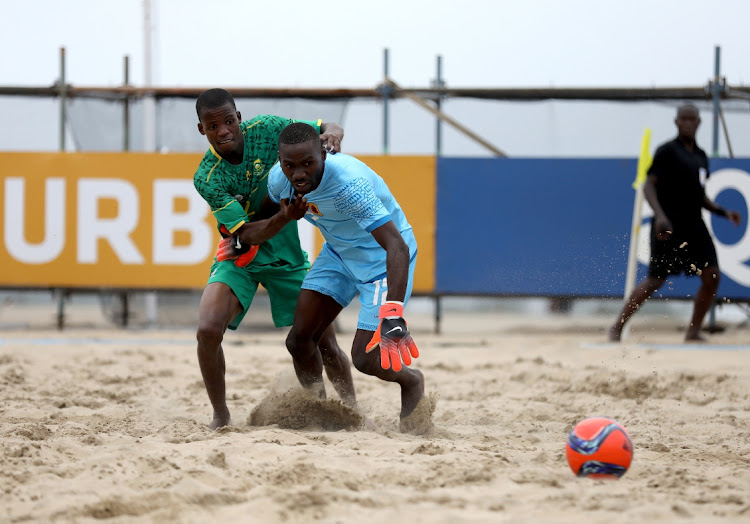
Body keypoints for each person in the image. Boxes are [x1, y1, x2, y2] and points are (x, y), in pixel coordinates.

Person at [192, 88, 357, 429]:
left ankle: (351, 409)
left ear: (239, 119)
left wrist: (333, 135)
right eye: (212, 126)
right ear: (202, 131)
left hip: (286, 253)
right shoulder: (207, 177)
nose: (222, 131)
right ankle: (221, 416)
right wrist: (284, 217)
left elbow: (326, 126)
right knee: (208, 330)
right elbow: (245, 235)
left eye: (227, 121)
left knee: (324, 340)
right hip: (241, 252)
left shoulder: (268, 129)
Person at [264, 122, 424, 429]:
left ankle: (412, 381)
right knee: (298, 342)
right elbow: (265, 213)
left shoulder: (349, 185)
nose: (298, 174)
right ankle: (322, 414)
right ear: (280, 162)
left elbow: (397, 246)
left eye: (308, 163)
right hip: (338, 253)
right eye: (290, 165)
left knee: (364, 359)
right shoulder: (277, 181)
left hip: (382, 262)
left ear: (324, 154)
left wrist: (394, 313)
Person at [609, 103, 742, 342]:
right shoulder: (667, 151)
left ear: (699, 123)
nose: (688, 123)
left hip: (695, 225)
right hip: (668, 224)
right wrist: (660, 216)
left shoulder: (700, 157)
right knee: (655, 280)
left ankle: (693, 332)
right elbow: (649, 185)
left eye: (693, 119)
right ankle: (616, 327)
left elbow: (700, 196)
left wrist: (723, 212)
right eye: (684, 119)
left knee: (712, 276)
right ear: (676, 122)